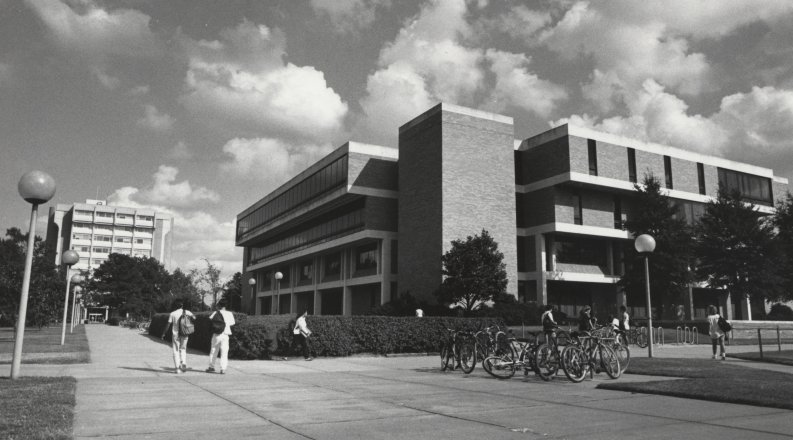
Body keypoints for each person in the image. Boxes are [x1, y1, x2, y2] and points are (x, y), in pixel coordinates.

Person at [161, 300, 195, 374]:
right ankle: (183, 362)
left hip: (175, 335)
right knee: (183, 349)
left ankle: (177, 368)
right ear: (182, 306)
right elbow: (194, 318)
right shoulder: (187, 312)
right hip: (185, 333)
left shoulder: (172, 314)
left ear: (175, 306)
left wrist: (163, 333)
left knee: (176, 350)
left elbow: (168, 325)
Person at [206, 299, 236, 374]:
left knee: (213, 350)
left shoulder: (216, 312)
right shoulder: (229, 313)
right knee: (224, 352)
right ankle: (223, 369)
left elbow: (210, 320)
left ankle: (211, 367)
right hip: (225, 334)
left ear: (219, 305)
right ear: (226, 305)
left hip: (216, 334)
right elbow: (232, 323)